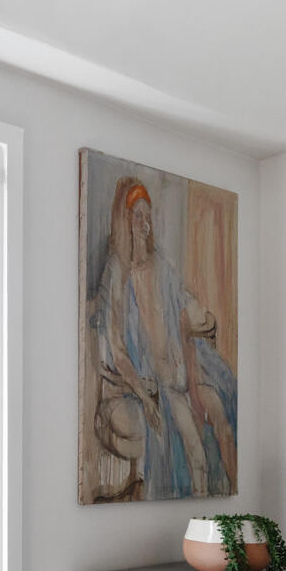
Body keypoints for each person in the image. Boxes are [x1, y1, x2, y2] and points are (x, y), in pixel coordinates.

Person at [87, 176, 236, 500]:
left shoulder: (161, 266)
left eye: (147, 215)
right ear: (125, 220)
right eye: (136, 216)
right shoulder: (116, 272)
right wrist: (143, 395)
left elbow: (184, 303)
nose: (144, 223)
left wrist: (205, 321)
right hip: (149, 383)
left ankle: (205, 520)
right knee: (187, 450)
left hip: (175, 375)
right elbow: (116, 348)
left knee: (201, 450)